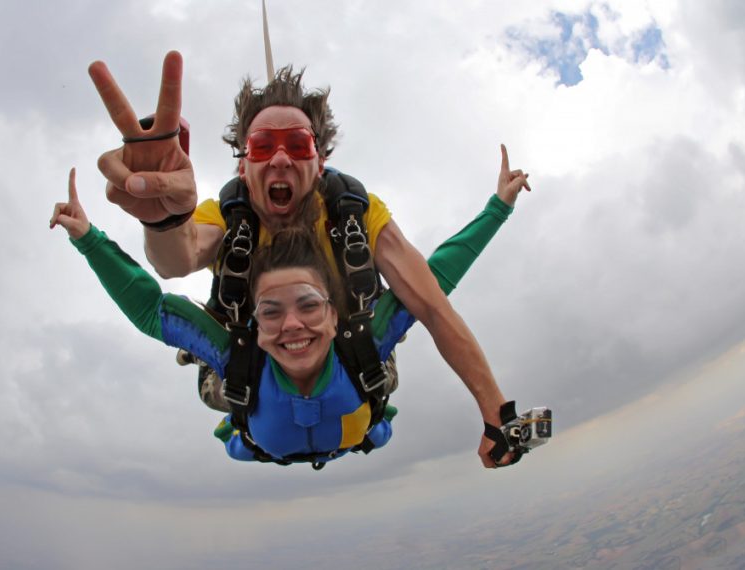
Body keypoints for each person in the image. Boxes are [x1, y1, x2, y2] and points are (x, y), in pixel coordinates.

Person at [87, 51, 531, 468]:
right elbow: (177, 259)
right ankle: (247, 412)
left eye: (298, 144)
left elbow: (433, 304)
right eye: (262, 146)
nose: (280, 157)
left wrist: (497, 413)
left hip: (355, 359)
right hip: (248, 364)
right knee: (229, 375)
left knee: (385, 343)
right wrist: (164, 218)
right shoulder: (228, 217)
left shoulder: (355, 214)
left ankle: (358, 415)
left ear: (320, 162)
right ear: (243, 166)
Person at [51, 167, 518, 466]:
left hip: (340, 424)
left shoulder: (362, 343)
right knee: (228, 398)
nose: (293, 324)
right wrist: (88, 238)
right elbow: (153, 308)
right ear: (254, 324)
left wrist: (497, 209)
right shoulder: (237, 356)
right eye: (271, 312)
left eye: (309, 306)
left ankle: (360, 415)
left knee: (378, 401)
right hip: (264, 430)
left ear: (336, 317)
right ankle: (237, 408)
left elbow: (435, 282)